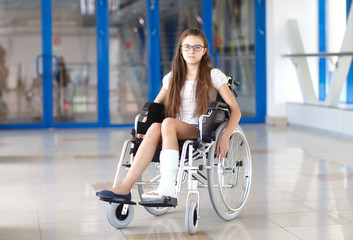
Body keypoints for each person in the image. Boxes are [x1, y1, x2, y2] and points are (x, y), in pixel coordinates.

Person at [96, 27, 241, 201]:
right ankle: (125, 188)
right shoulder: (172, 77)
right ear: (181, 50)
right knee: (157, 126)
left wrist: (225, 137)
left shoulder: (214, 75)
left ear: (204, 51)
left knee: (167, 123)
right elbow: (156, 106)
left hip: (202, 128)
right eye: (186, 47)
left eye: (196, 47)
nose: (191, 51)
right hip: (171, 127)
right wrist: (143, 128)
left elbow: (236, 111)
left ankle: (166, 188)